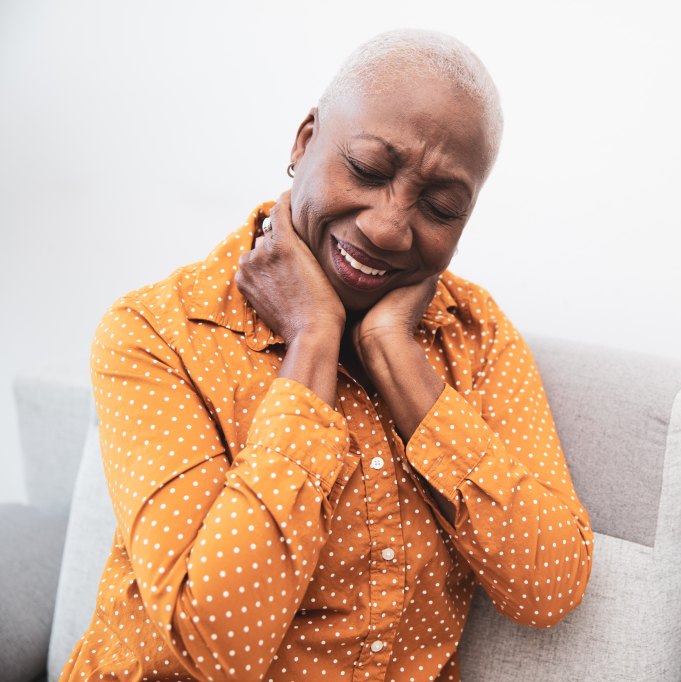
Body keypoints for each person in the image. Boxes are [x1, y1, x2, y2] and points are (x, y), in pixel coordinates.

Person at [59, 29, 593, 682]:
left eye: (441, 206)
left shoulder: (473, 335)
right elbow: (215, 645)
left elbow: (548, 587)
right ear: (305, 140)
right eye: (367, 169)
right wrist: (312, 338)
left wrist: (395, 357)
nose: (388, 227)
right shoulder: (159, 335)